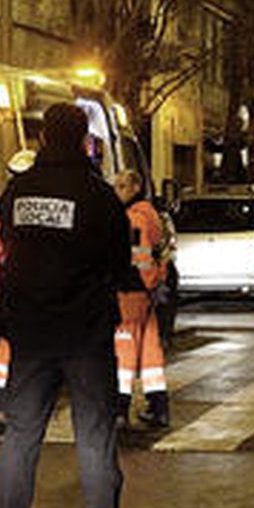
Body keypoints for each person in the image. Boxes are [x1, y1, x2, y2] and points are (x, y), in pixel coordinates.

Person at [0, 102, 136, 508]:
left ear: (44, 136)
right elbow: (117, 264)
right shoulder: (99, 197)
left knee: (19, 444)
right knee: (94, 444)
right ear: (85, 138)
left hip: (30, 337)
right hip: (86, 338)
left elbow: (7, 247)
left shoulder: (19, 191)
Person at [112, 170, 169, 429]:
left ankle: (119, 410)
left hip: (131, 291)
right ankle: (159, 409)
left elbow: (140, 257)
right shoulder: (152, 215)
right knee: (150, 352)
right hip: (147, 293)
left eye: (122, 186)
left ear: (135, 187)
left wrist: (146, 282)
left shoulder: (133, 218)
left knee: (124, 349)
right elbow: (162, 253)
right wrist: (157, 284)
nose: (117, 191)